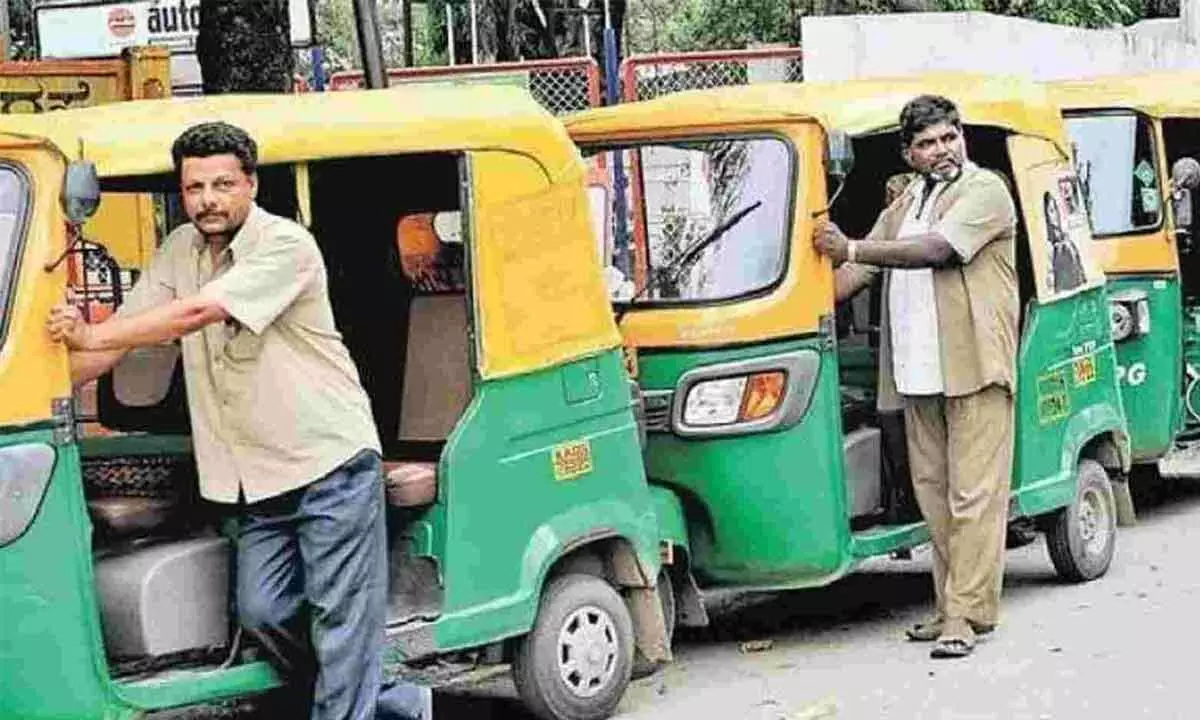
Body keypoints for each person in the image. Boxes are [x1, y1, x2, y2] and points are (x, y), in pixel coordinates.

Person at [47, 121, 431, 719]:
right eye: (195, 186)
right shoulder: (180, 250)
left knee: (340, 618)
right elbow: (122, 340)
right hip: (255, 476)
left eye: (223, 183)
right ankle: (387, 699)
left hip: (327, 461)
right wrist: (29, 389)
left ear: (250, 184)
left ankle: (354, 705)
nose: (209, 199)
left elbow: (197, 312)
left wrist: (92, 330)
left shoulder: (286, 245)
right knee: (263, 613)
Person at [813, 95, 1018, 659]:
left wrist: (850, 244)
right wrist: (801, 294)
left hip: (974, 367)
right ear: (910, 153)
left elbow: (938, 250)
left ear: (962, 138)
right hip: (917, 371)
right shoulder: (906, 202)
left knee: (974, 495)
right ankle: (952, 606)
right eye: (927, 143)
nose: (941, 150)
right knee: (933, 496)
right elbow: (858, 272)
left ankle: (965, 616)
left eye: (949, 137)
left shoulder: (985, 190)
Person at [1044, 191, 1086, 294]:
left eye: (1055, 209)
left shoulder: (1066, 240)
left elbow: (1080, 270)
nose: (1055, 215)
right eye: (1051, 211)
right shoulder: (1051, 247)